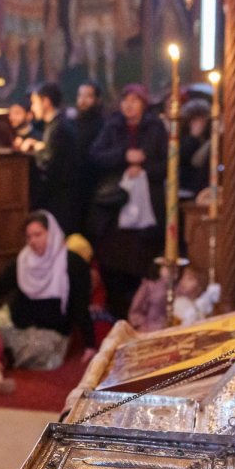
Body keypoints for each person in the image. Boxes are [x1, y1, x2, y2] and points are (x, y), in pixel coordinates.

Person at [0, 211, 95, 370]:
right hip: (19, 325)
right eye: (29, 237)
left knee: (41, 350)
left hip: (51, 332)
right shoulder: (23, 261)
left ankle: (3, 358)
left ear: (52, 233)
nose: (33, 241)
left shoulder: (73, 264)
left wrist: (90, 344)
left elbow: (80, 305)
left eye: (38, 234)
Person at [90, 83, 168, 318]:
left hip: (146, 211)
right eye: (125, 100)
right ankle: (117, 317)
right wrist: (124, 156)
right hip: (116, 209)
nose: (129, 105)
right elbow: (95, 156)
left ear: (143, 104)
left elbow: (168, 165)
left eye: (134, 101)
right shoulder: (112, 126)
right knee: (114, 268)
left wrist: (143, 168)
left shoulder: (156, 128)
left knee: (140, 269)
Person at [28, 82, 80, 234]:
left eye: (34, 102)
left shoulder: (58, 128)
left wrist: (33, 154)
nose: (32, 108)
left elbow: (49, 165)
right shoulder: (58, 125)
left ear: (46, 102)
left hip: (61, 203)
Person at [70, 80, 106, 238]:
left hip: (94, 185)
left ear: (98, 100)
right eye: (80, 96)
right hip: (73, 185)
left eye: (88, 96)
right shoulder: (71, 124)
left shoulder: (103, 126)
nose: (83, 100)